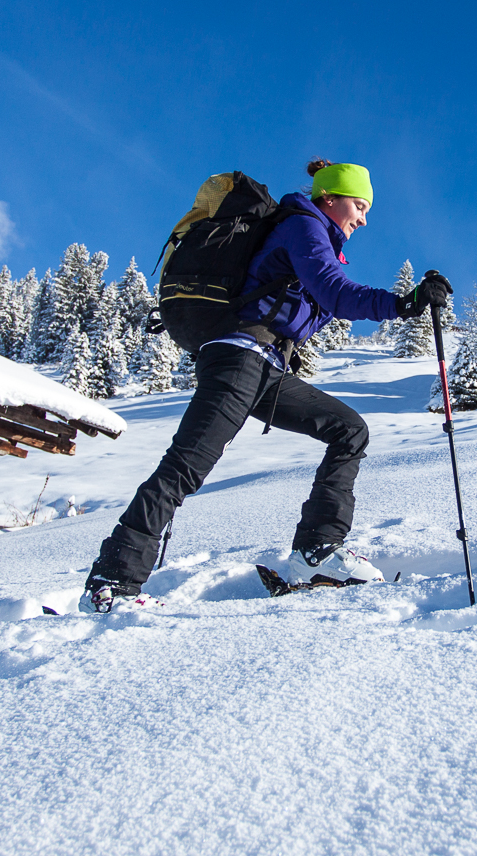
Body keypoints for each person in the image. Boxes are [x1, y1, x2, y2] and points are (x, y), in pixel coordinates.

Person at [80, 159, 451, 613]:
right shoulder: (303, 227)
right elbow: (336, 293)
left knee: (348, 430)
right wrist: (404, 302)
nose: (363, 218)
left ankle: (316, 554)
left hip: (265, 368)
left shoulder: (318, 238)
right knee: (186, 466)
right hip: (238, 357)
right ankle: (112, 583)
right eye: (358, 205)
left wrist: (403, 300)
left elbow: (323, 299)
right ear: (329, 198)